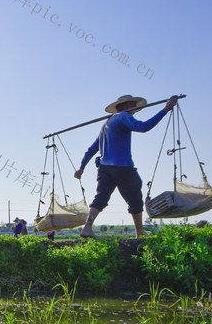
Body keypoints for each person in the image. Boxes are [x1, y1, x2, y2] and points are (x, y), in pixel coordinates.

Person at [74, 94, 178, 239]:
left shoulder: (106, 124)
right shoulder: (124, 116)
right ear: (124, 106)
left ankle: (87, 228)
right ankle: (139, 231)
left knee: (101, 198)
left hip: (104, 168)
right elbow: (143, 127)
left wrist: (81, 168)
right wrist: (165, 109)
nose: (134, 107)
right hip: (121, 166)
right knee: (135, 197)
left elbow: (92, 149)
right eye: (132, 104)